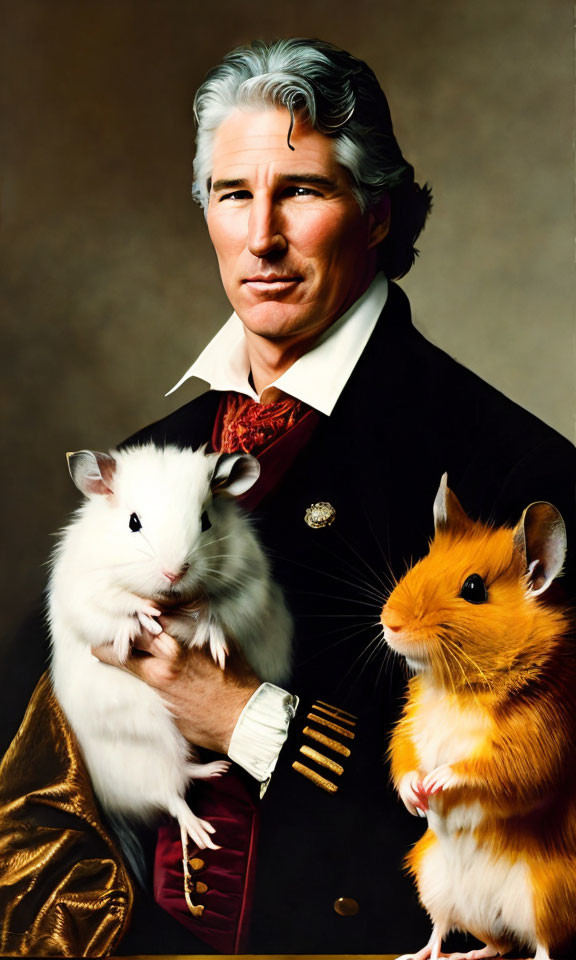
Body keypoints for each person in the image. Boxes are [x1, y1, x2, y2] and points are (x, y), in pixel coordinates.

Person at [1, 38, 575, 959]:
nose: (261, 236)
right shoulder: (163, 456)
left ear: (378, 214)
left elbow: (547, 821)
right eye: (234, 195)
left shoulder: (509, 473)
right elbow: (22, 753)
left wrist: (246, 717)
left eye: (301, 191)